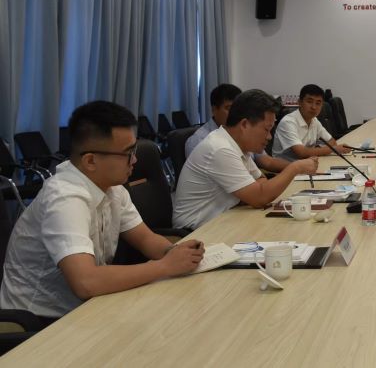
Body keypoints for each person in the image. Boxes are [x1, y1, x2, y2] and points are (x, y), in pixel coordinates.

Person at [0, 101, 205, 321]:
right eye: (128, 153)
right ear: (90, 161)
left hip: (87, 307)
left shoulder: (113, 188)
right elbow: (85, 281)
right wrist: (164, 266)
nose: (135, 160)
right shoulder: (64, 198)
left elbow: (146, 239)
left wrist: (175, 253)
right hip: (39, 322)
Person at [173, 89, 318, 229]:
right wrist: (295, 167)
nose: (269, 137)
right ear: (244, 124)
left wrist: (257, 193)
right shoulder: (220, 148)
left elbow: (260, 180)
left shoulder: (238, 145)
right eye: (266, 129)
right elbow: (260, 197)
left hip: (225, 219)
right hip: (197, 231)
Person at [186, 83, 288, 172]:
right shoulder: (200, 140)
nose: (235, 112)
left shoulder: (243, 133)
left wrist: (295, 167)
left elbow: (267, 162)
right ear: (214, 109)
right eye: (229, 108)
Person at [271, 84, 351, 162]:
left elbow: (332, 141)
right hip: (284, 167)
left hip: (307, 163)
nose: (314, 107)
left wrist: (315, 151)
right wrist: (333, 149)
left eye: (318, 103)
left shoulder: (314, 120)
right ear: (300, 102)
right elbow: (301, 153)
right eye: (309, 102)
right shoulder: (288, 122)